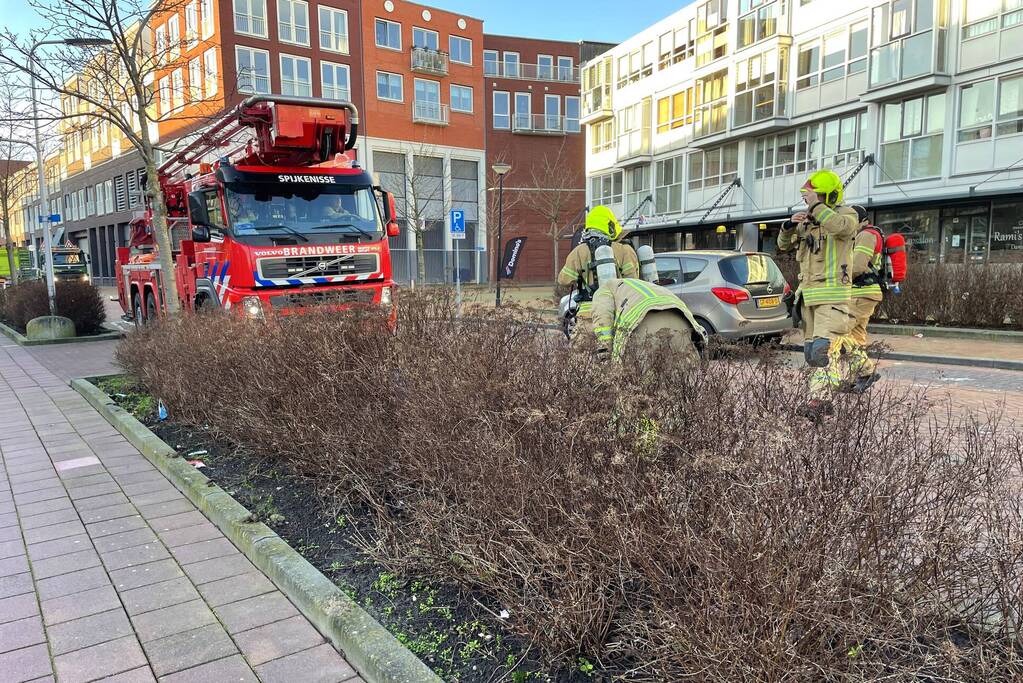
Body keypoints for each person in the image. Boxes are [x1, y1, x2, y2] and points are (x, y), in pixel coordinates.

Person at [777, 170, 859, 420]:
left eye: (813, 196)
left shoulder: (847, 215)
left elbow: (839, 227)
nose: (808, 202)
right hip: (809, 298)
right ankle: (852, 372)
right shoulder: (809, 221)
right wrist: (789, 225)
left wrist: (817, 206)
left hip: (832, 297)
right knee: (814, 355)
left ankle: (819, 399)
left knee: (823, 352)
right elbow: (783, 245)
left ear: (829, 196)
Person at [556, 206, 640, 336]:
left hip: (588, 316)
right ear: (610, 226)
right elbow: (633, 283)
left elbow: (564, 280)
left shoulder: (579, 251)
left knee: (582, 353)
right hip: (617, 314)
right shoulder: (625, 250)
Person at [591, 276, 704, 367]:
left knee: (644, 387)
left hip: (646, 330)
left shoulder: (603, 291)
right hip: (683, 325)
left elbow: (603, 323)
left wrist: (606, 358)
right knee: (681, 385)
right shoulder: (636, 284)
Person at [847, 205, 884, 393]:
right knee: (856, 336)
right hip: (865, 292)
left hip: (861, 292)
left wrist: (840, 280)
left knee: (842, 333)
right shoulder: (868, 234)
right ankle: (857, 378)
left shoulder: (866, 235)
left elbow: (858, 265)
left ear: (860, 220)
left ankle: (867, 372)